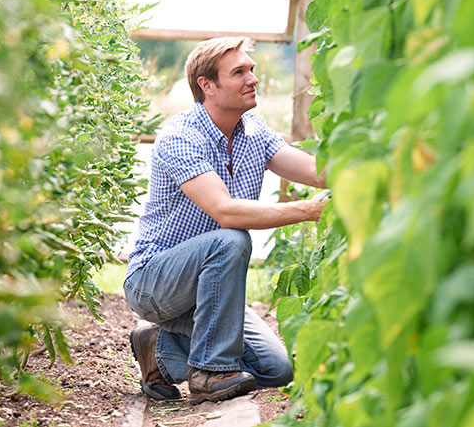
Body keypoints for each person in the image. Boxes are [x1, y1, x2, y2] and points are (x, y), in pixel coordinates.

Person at [123, 36, 327, 405]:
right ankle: (209, 373)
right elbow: (225, 212)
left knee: (275, 369)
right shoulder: (180, 136)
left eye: (251, 69)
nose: (253, 79)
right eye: (239, 72)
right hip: (155, 282)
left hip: (211, 291)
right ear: (207, 85)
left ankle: (158, 349)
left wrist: (369, 171)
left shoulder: (255, 131)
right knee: (232, 238)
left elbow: (317, 172)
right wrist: (309, 211)